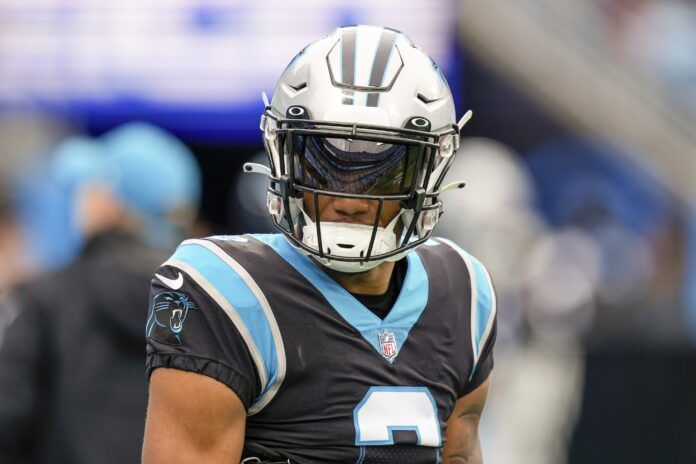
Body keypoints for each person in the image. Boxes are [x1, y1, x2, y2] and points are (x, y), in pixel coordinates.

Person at [143, 25, 497, 464]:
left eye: (383, 172)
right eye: (323, 166)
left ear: (430, 169)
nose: (348, 200)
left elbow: (459, 453)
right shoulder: (224, 289)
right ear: (284, 157)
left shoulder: (463, 290)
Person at [0, 124, 201, 464]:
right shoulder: (211, 305)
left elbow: (8, 422)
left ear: (108, 205)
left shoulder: (47, 299)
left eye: (91, 189)